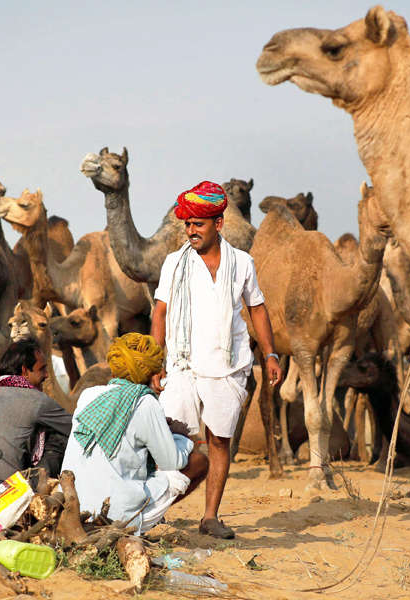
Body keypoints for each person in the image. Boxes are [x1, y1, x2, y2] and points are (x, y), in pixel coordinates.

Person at [151, 180, 283, 539]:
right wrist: (154, 361)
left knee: (220, 440)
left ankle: (210, 516)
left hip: (228, 366)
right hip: (183, 366)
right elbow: (160, 313)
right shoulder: (173, 263)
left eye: (199, 224)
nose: (191, 230)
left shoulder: (242, 263)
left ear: (218, 224)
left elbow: (257, 309)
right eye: (188, 224)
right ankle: (155, 510)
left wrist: (269, 353)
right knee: (171, 439)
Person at [62, 333, 208, 533]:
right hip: (116, 517)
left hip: (73, 510)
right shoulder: (144, 402)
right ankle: (145, 521)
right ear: (152, 372)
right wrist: (180, 436)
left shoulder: (89, 396)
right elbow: (171, 462)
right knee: (199, 462)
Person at [0, 340, 72, 496]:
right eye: (42, 369)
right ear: (24, 371)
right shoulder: (36, 400)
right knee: (59, 437)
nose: (46, 375)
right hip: (5, 498)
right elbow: (75, 428)